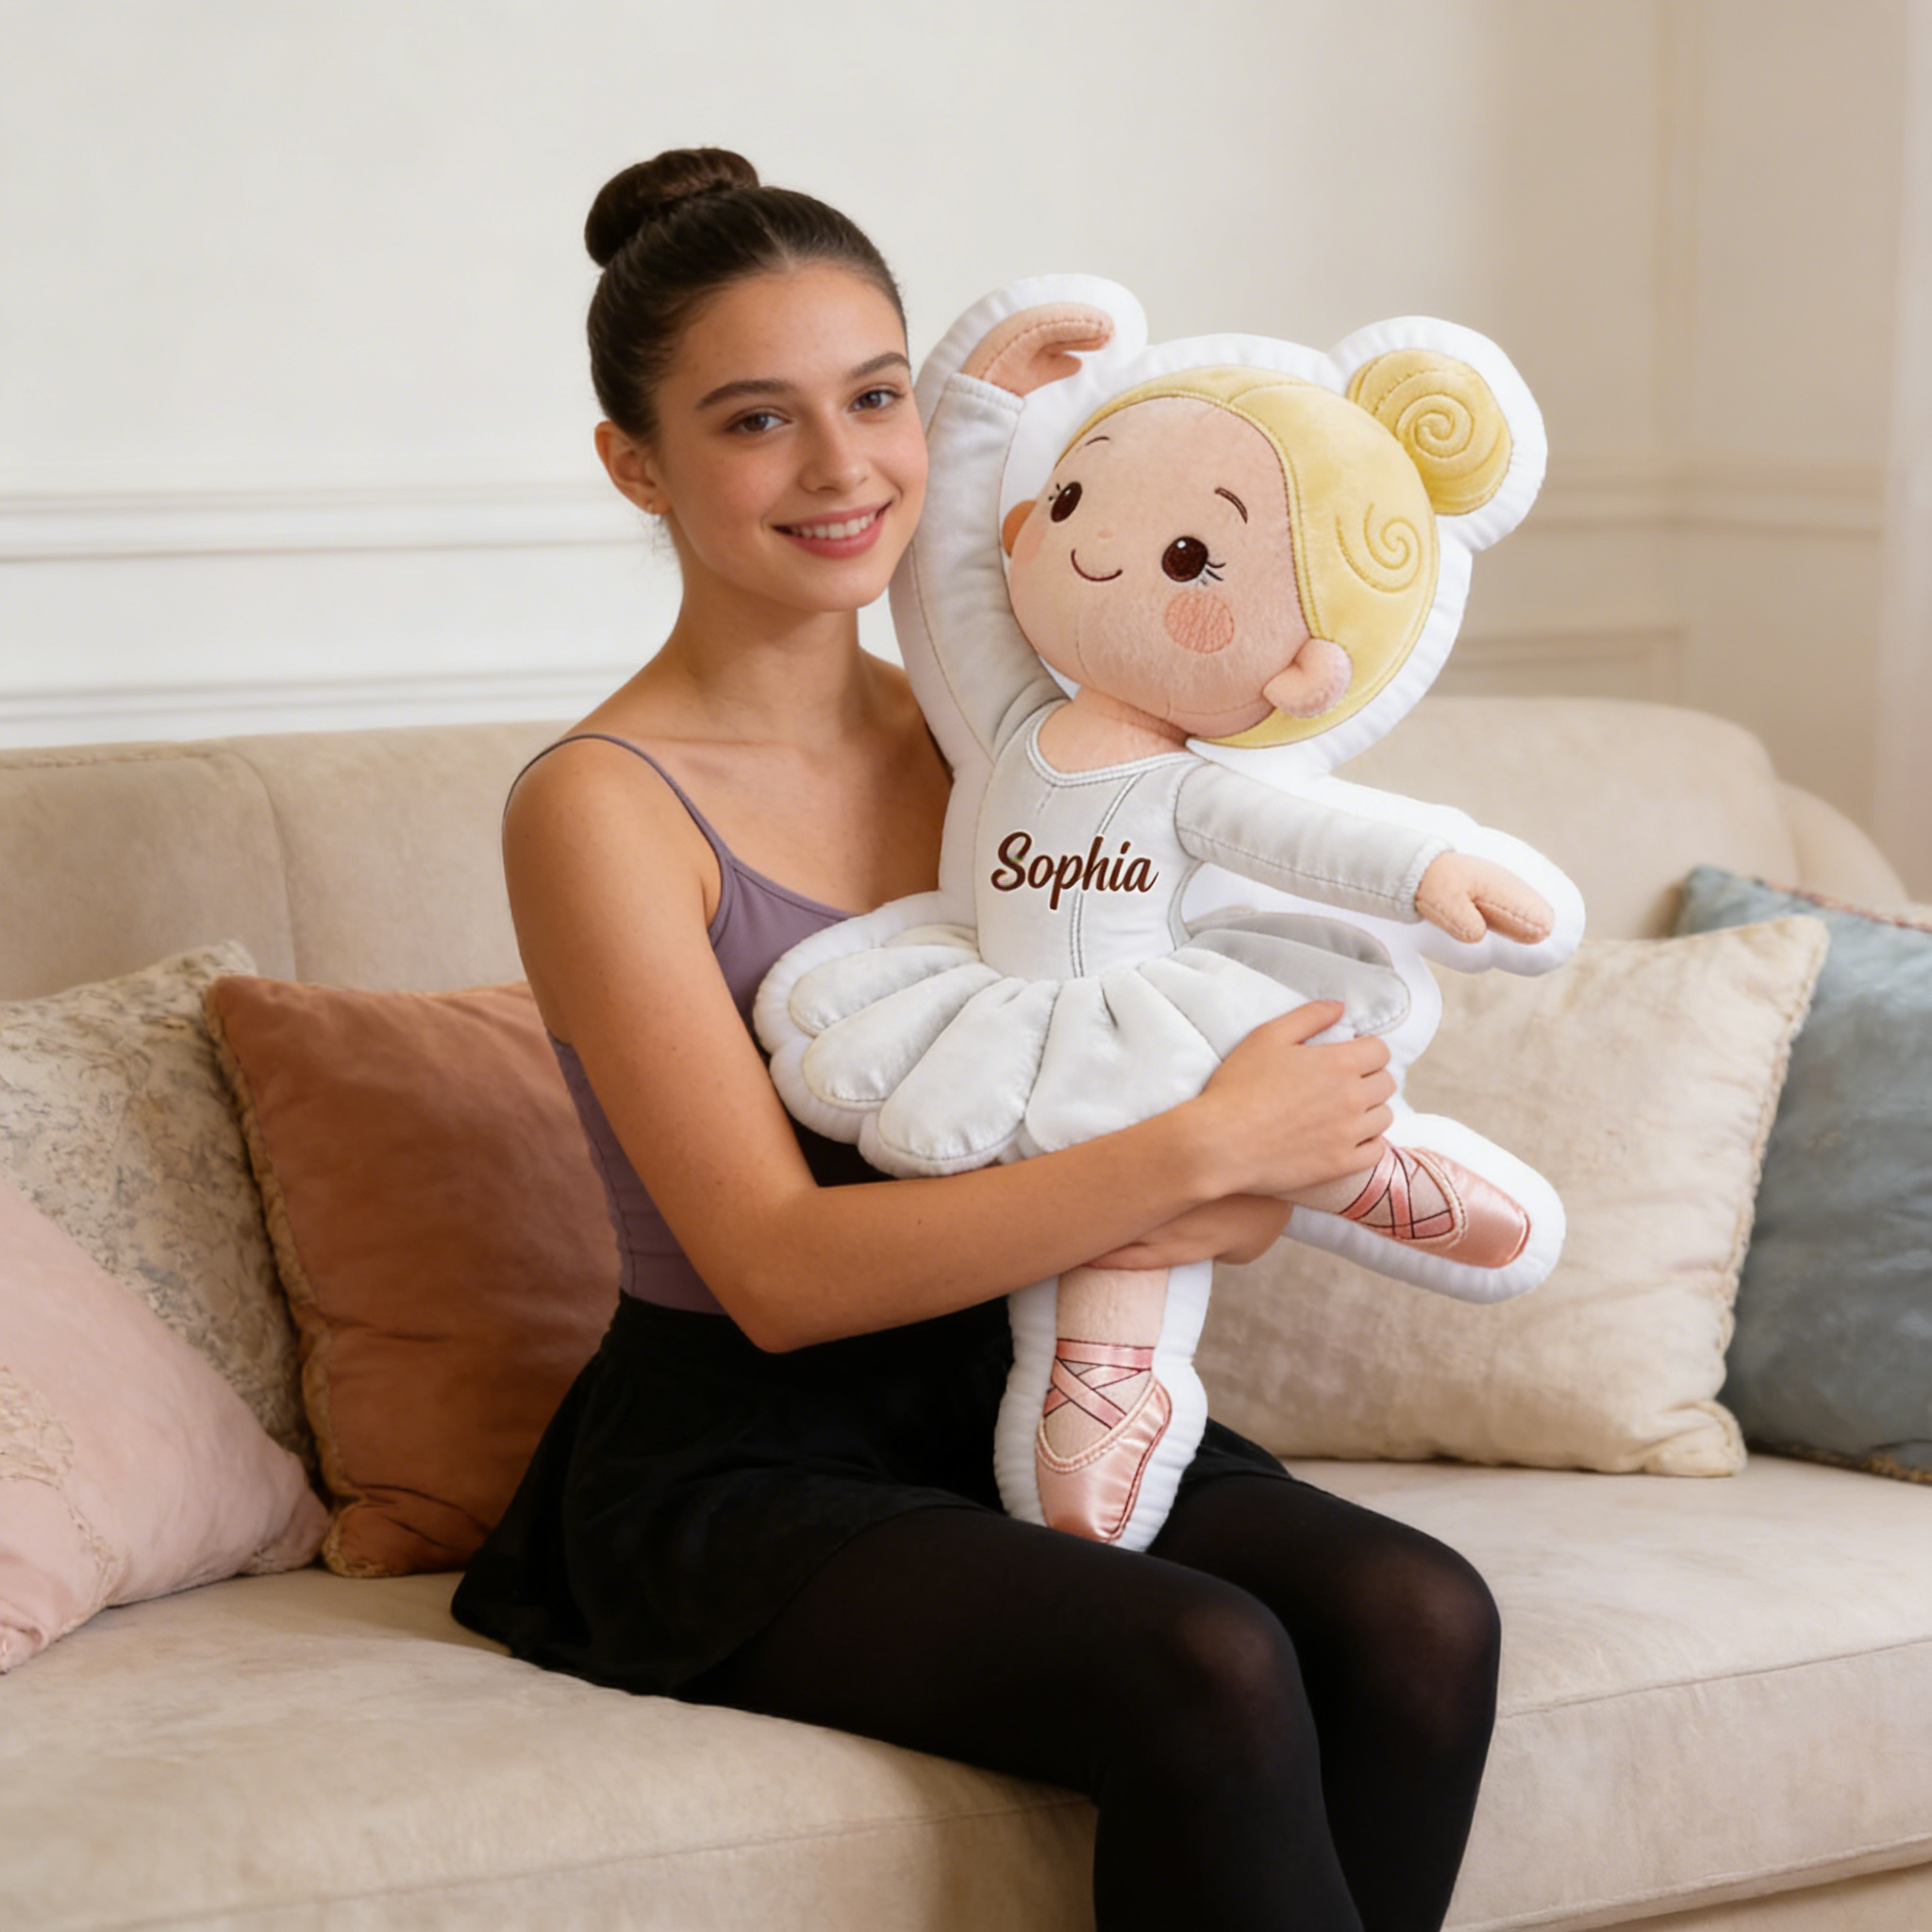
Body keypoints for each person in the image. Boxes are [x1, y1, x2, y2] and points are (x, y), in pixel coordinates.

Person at [450, 146, 1503, 1932]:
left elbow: (1228, 1157)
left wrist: (1253, 1155)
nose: (843, 465)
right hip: (743, 1452)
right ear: (637, 464)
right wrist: (1203, 1153)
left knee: (1423, 1617)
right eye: (756, 420)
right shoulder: (600, 806)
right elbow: (778, 1274)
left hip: (1017, 1370)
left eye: (875, 397)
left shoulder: (1007, 747)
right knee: (1207, 1664)